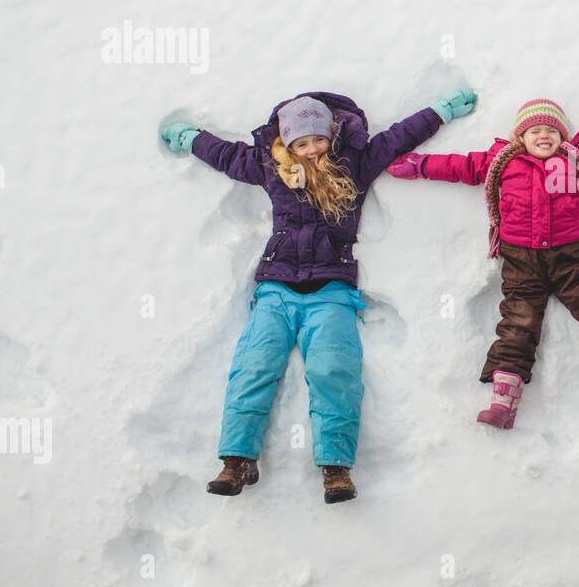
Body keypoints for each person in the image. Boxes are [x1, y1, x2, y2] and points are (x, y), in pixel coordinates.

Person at [160, 87, 476, 501]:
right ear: (287, 142)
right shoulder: (270, 165)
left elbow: (399, 137)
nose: (311, 150)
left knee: (334, 371)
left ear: (333, 134)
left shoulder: (355, 164)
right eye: (302, 142)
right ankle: (236, 460)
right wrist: (191, 139)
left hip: (332, 289)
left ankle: (336, 468)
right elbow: (227, 156)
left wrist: (440, 111)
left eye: (319, 140)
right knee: (254, 366)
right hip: (276, 287)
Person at [387, 97, 579, 428]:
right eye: (534, 130)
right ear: (519, 137)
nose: (543, 136)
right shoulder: (499, 161)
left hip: (571, 259)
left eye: (551, 130)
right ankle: (504, 397)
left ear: (562, 136)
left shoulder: (578, 160)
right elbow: (458, 166)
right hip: (521, 260)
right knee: (518, 322)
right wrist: (420, 165)